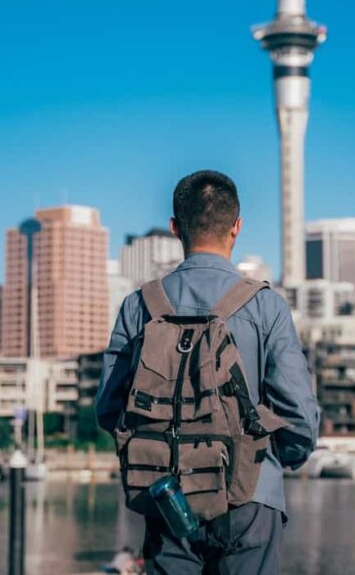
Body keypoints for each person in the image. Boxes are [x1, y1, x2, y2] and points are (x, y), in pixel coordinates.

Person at [95, 170, 319, 575]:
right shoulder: (265, 306)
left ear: (175, 228)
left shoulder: (138, 305)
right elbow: (299, 416)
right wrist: (276, 460)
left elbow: (109, 409)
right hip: (250, 495)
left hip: (167, 496)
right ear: (237, 226)